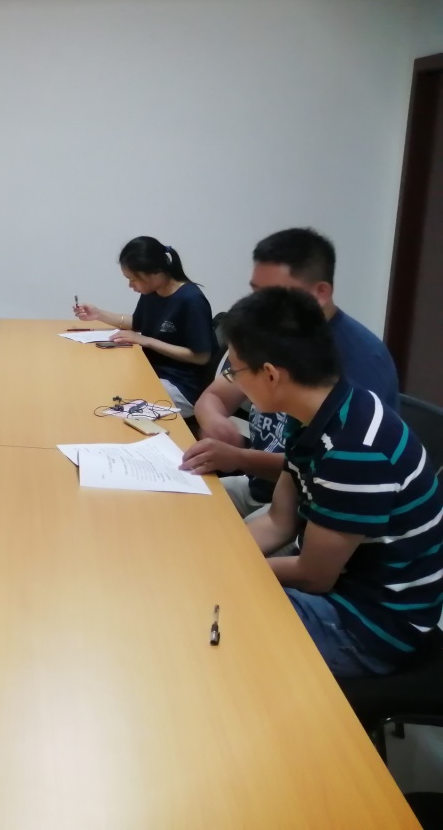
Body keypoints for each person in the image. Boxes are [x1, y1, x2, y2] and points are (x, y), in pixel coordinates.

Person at [220, 287, 442, 677]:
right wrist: (220, 556)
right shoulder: (316, 410)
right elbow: (279, 521)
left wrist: (224, 569)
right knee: (207, 590)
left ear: (270, 374)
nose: (231, 380)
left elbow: (314, 576)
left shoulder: (356, 451)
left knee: (213, 622)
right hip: (342, 585)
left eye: (234, 371)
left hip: (371, 624)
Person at [182, 228, 401, 518]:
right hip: (262, 487)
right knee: (175, 508)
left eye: (274, 295)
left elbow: (335, 466)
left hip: (313, 504)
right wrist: (215, 422)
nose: (260, 305)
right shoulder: (271, 333)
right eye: (256, 291)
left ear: (320, 293)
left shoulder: (359, 360)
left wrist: (239, 458)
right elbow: (215, 395)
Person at [73, 236, 215, 416]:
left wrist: (145, 340)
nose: (130, 285)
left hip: (181, 386)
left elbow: (201, 357)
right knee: (102, 382)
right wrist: (99, 314)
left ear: (155, 272)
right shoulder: (152, 291)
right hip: (152, 371)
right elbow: (138, 323)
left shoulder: (191, 300)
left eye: (133, 279)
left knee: (114, 403)